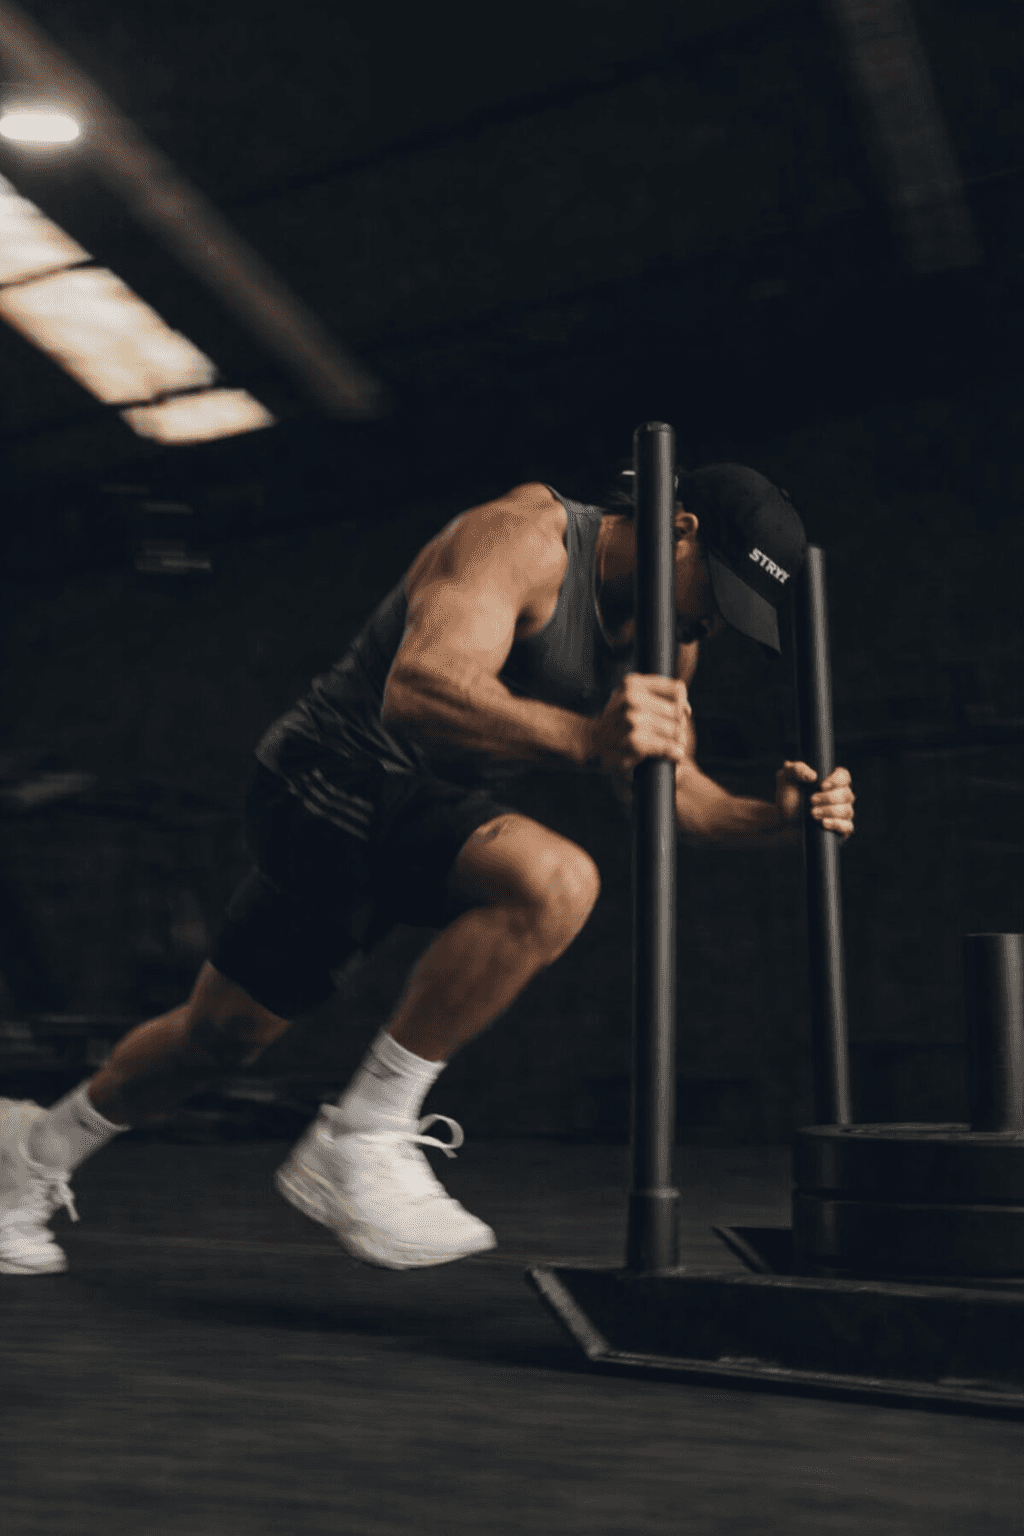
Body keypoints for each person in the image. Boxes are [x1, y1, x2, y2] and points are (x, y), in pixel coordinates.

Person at [0, 461, 855, 1276]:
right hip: (326, 777)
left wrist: (771, 818)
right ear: (680, 529)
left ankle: (29, 1152)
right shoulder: (524, 538)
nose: (712, 625)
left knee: (220, 1036)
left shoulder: (672, 640)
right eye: (719, 596)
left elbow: (666, 789)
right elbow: (421, 686)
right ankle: (361, 1137)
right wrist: (586, 737)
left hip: (417, 814)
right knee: (554, 881)